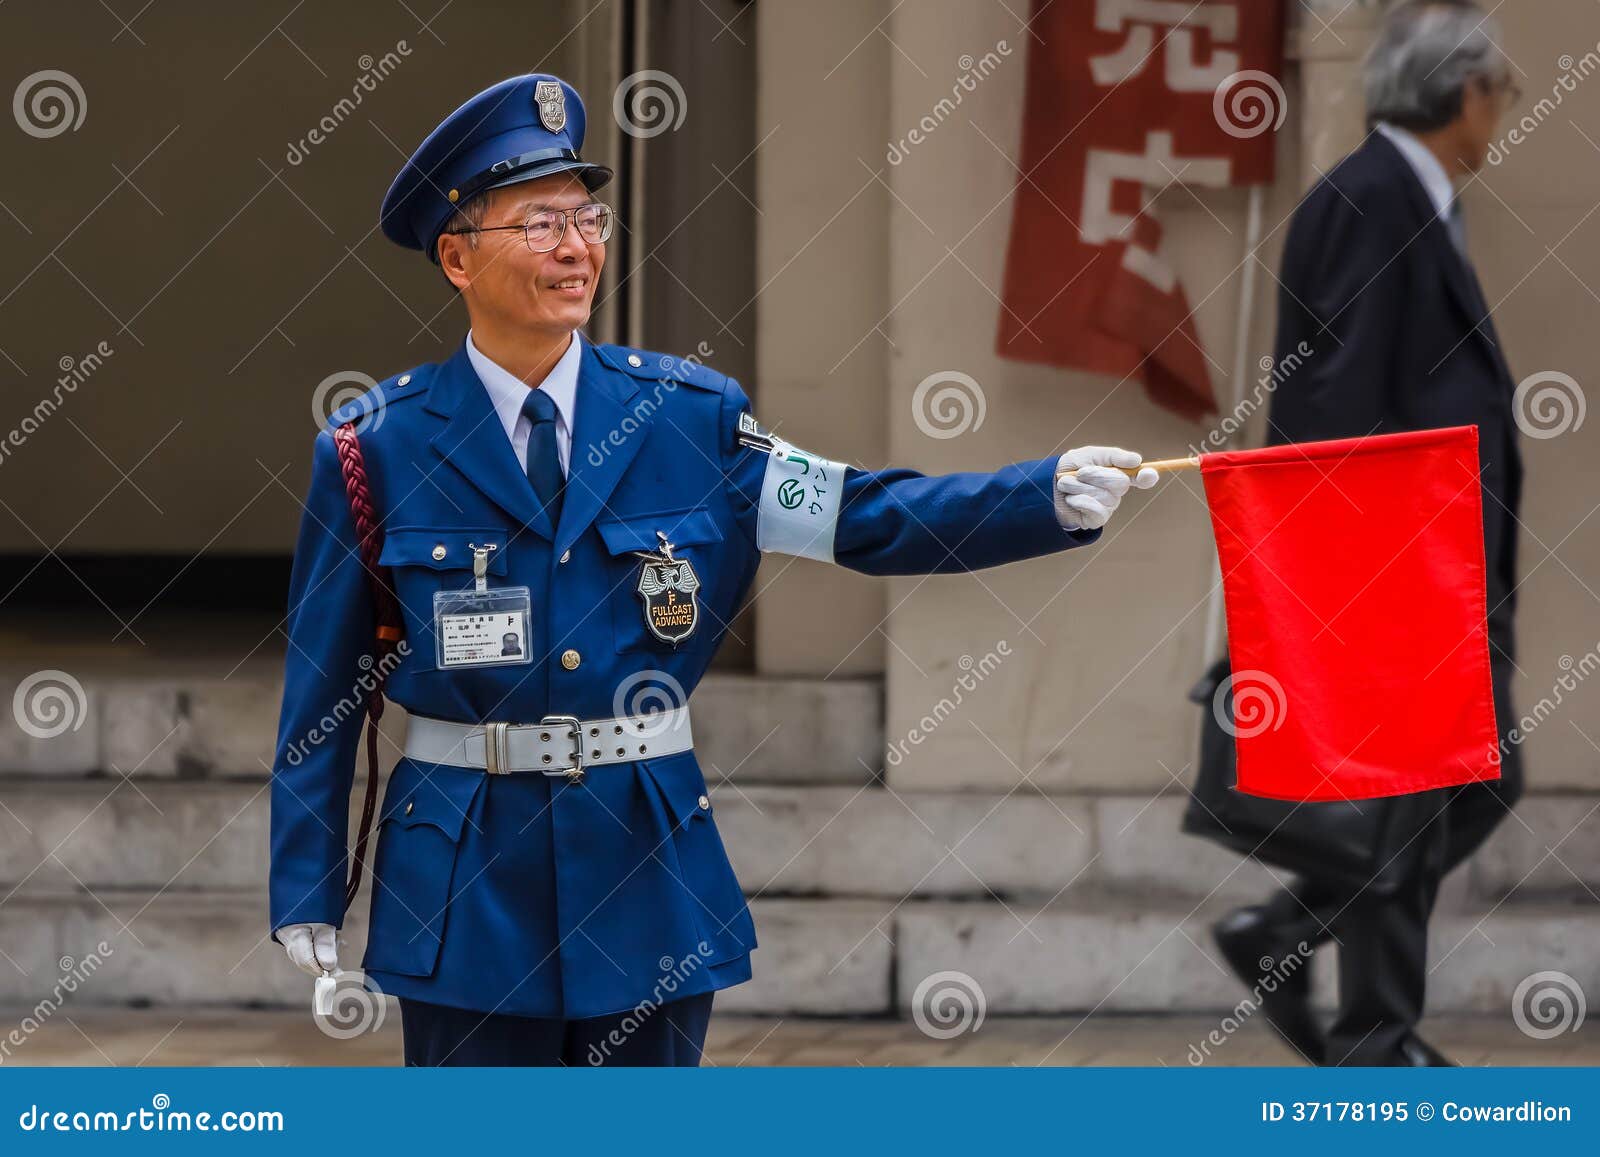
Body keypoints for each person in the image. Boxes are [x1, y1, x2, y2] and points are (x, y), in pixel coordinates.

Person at [268, 72, 1158, 1067]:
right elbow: (323, 691)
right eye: (539, 223)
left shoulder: (685, 417)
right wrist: (305, 888)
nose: (574, 248)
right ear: (456, 256)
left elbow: (860, 515)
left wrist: (1038, 496)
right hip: (466, 880)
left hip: (641, 867)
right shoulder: (375, 445)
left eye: (586, 218)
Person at [1211, 0, 1524, 1067]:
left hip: (1433, 561)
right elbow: (1338, 403)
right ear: (1461, 91)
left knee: (1477, 781)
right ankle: (1374, 1035)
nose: (1505, 112)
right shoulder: (1372, 198)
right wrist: (1369, 587)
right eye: (1501, 89)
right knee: (1416, 787)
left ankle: (1286, 934)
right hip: (1398, 568)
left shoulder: (1406, 198)